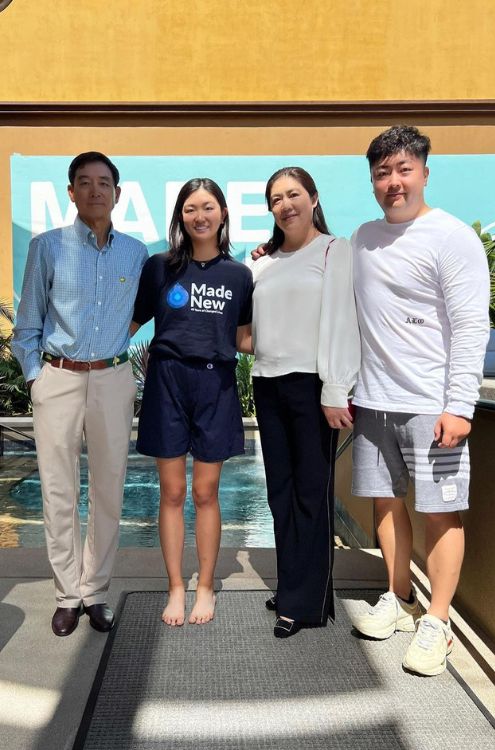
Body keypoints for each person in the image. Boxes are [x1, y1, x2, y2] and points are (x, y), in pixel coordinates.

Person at [349, 125, 491, 676]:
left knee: (440, 512)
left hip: (433, 405)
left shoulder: (452, 237)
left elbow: (470, 326)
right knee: (385, 504)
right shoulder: (363, 237)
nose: (393, 182)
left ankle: (438, 621)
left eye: (403, 170)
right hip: (374, 402)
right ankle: (400, 596)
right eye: (382, 173)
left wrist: (461, 406)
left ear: (425, 173)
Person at [12, 152, 148, 636]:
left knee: (109, 489)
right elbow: (26, 323)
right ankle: (67, 595)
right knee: (58, 490)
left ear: (117, 192)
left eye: (104, 183)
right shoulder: (47, 248)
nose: (95, 190)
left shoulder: (135, 253)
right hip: (59, 376)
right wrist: (36, 379)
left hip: (112, 378)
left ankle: (96, 593)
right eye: (85, 183)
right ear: (71, 192)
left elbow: (164, 299)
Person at [131, 178, 253, 627]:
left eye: (207, 207)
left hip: (215, 386)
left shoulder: (239, 275)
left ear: (222, 213)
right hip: (167, 383)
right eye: (189, 208)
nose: (199, 216)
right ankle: (176, 587)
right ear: (180, 216)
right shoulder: (160, 267)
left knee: (205, 493)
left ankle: (205, 585)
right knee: (172, 492)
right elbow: (130, 323)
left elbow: (245, 339)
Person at [251, 167, 360, 638]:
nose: (286, 204)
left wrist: (335, 389)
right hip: (267, 383)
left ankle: (305, 604)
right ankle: (293, 584)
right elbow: (247, 331)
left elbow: (341, 320)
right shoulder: (261, 262)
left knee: (311, 494)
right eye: (276, 198)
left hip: (311, 386)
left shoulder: (336, 250)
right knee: (280, 495)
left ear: (313, 199)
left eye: (294, 194)